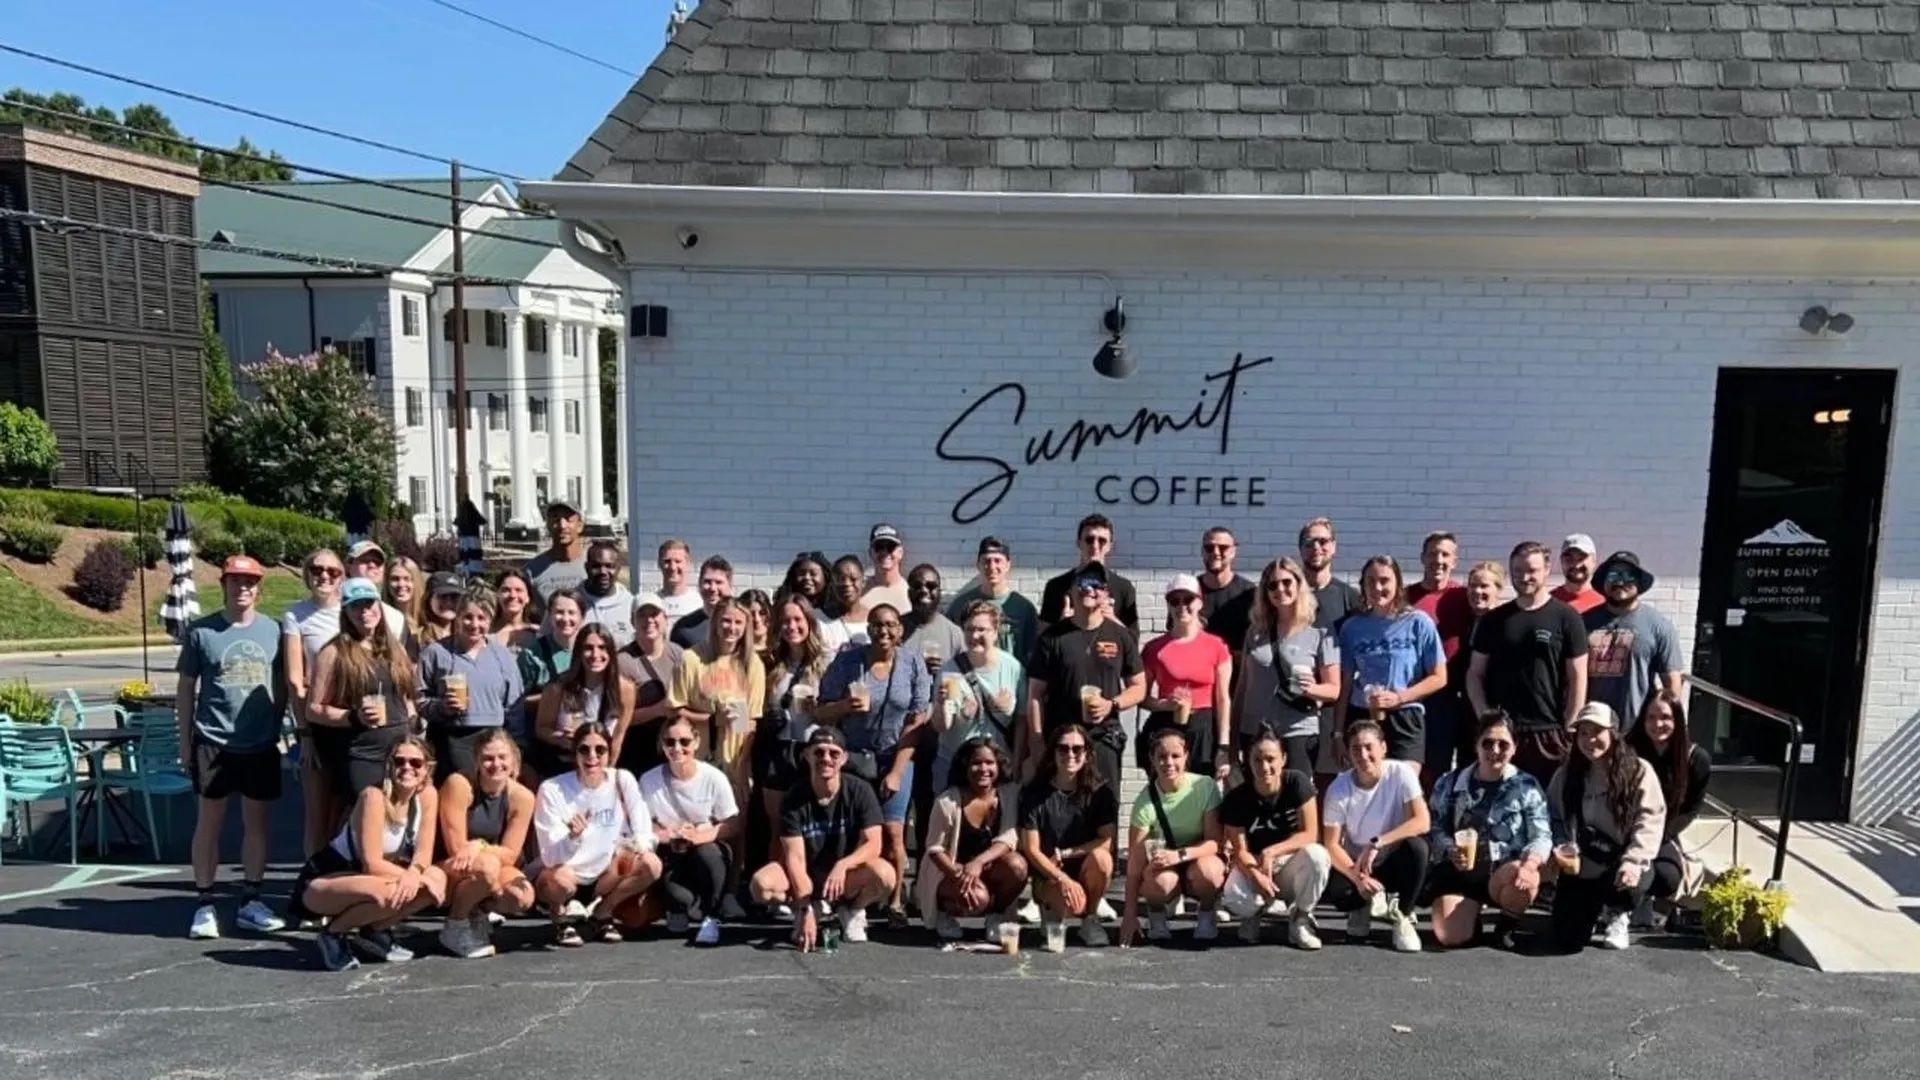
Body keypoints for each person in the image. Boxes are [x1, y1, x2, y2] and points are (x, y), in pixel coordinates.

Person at [180, 555, 287, 940]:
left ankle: (251, 900)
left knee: (257, 824)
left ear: (259, 589)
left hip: (259, 743)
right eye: (236, 581)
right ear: (223, 584)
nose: (243, 588)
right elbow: (186, 690)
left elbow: (283, 686)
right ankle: (204, 903)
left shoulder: (273, 631)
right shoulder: (201, 633)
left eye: (250, 582)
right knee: (209, 824)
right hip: (213, 740)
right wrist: (185, 742)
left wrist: (278, 725)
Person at [291, 736, 447, 970]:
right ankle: (333, 934)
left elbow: (423, 855)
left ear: (427, 769)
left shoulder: (427, 796)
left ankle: (374, 931)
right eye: (399, 761)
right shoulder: (373, 797)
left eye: (416, 763)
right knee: (391, 894)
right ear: (389, 766)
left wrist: (418, 874)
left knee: (438, 882)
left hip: (371, 881)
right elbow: (372, 864)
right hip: (325, 882)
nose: (407, 768)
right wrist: (415, 878)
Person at [817, 604, 929, 922]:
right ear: (868, 630)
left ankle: (895, 900)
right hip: (854, 756)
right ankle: (852, 897)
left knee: (894, 832)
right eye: (877, 625)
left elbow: (917, 719)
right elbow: (820, 710)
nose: (884, 631)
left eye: (891, 625)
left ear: (900, 631)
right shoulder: (848, 661)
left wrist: (895, 772)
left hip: (896, 754)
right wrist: (843, 706)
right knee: (858, 831)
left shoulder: (912, 662)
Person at [749, 728, 897, 950]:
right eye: (819, 753)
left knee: (885, 875)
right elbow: (795, 860)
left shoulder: (860, 791)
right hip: (807, 876)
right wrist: (805, 907)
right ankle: (810, 909)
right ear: (807, 755)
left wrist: (843, 864)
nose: (826, 759)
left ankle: (853, 910)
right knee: (761, 885)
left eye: (833, 754)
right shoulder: (793, 798)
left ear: (844, 758)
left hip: (845, 877)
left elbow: (873, 844)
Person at [1425, 710, 1552, 949]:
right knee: (1450, 938)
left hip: (1503, 870)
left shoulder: (1527, 786)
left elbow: (1542, 835)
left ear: (1514, 748)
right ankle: (1470, 916)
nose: (1495, 750)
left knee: (1524, 876)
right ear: (1476, 745)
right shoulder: (1449, 782)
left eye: (1503, 744)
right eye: (1488, 743)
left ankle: (1507, 922)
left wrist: (1530, 864)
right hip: (1461, 871)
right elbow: (1434, 827)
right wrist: (1449, 848)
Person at [1547, 702, 1667, 952]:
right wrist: (1561, 846)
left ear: (1613, 733)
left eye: (1597, 732)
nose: (1590, 739)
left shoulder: (1637, 771)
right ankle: (1590, 913)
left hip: (1621, 861)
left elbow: (1650, 819)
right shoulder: (1567, 774)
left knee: (1632, 883)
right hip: (1583, 861)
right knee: (1566, 937)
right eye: (1583, 733)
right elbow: (1553, 816)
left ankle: (1618, 913)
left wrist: (1634, 860)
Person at [1468, 542, 1590, 784]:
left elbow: (1578, 677)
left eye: (1531, 570)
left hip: (1549, 733)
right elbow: (1475, 674)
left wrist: (1570, 727)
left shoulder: (1567, 618)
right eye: (1517, 571)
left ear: (1547, 569)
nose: (1524, 577)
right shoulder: (1493, 621)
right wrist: (1486, 718)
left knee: (1548, 808)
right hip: (1503, 734)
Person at [532, 723, 659, 946]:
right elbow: (550, 857)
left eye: (600, 750)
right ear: (575, 753)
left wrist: (634, 847)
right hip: (568, 874)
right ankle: (560, 918)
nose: (592, 757)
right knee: (558, 882)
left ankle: (603, 912)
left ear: (610, 753)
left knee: (652, 864)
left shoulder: (622, 779)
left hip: (606, 875)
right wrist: (573, 838)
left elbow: (643, 828)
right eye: (584, 750)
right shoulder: (552, 789)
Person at [1025, 561, 1145, 788]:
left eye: (1097, 584)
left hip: (1103, 738)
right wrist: (1038, 742)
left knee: (1104, 812)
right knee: (1059, 809)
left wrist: (1112, 704)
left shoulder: (1121, 635)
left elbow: (1139, 686)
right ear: (1070, 590)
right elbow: (1035, 694)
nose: (1090, 589)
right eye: (1083, 582)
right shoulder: (1052, 637)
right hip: (1061, 740)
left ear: (1107, 594)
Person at [306, 578, 419, 809]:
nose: (365, 611)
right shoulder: (333, 652)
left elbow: (406, 697)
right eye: (356, 605)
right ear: (345, 611)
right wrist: (353, 717)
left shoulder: (395, 648)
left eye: (369, 604)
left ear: (379, 606)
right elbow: (314, 709)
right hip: (363, 754)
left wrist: (414, 725)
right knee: (367, 823)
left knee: (398, 822)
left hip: (401, 753)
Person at [1320, 721, 1429, 952]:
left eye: (1369, 747)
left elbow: (1422, 821)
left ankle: (1403, 916)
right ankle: (1361, 905)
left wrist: (1378, 843)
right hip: (1357, 864)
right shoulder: (1338, 788)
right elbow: (1331, 843)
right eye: (1356, 749)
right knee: (1340, 892)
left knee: (1417, 848)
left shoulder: (1401, 773)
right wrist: (1357, 877)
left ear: (1383, 747)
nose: (1363, 755)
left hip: (1391, 858)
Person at [1218, 729, 1329, 948]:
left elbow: (1310, 833)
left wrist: (1272, 852)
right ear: (1247, 761)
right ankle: (1253, 915)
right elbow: (1240, 850)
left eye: (1270, 759)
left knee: (1318, 856)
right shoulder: (1236, 798)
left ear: (1283, 759)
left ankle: (1300, 918)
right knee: (1235, 897)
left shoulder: (1297, 782)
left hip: (1288, 863)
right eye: (1257, 760)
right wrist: (1254, 875)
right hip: (1255, 865)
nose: (1264, 767)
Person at [1334, 555, 1447, 767]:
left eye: (1384, 580)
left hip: (1406, 715)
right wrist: (1338, 734)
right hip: (1363, 715)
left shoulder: (1418, 622)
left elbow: (1439, 677)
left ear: (1398, 584)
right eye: (1370, 581)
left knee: (1404, 786)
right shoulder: (1352, 627)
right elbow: (1345, 685)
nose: (1377, 587)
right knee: (1367, 788)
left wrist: (1399, 697)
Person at [1234, 557, 1340, 781]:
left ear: (1299, 584)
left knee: (1297, 797)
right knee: (1259, 799)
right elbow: (1242, 689)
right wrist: (1232, 742)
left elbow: (1334, 689)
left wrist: (1311, 689)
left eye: (1286, 582)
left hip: (1298, 730)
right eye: (1272, 585)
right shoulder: (1255, 632)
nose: (1279, 589)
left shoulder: (1319, 630)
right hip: (1255, 730)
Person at [640, 717, 742, 946]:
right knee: (678, 896)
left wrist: (698, 836)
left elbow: (733, 823)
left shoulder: (713, 777)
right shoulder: (649, 779)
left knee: (710, 855)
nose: (677, 748)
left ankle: (712, 915)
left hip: (703, 845)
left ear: (696, 742)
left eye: (684, 741)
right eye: (670, 742)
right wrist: (668, 834)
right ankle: (679, 906)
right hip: (670, 851)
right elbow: (642, 824)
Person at [1119, 728, 1226, 946]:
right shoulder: (1144, 802)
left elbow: (1215, 842)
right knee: (1161, 881)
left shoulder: (1205, 787)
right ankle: (1156, 912)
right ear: (1151, 759)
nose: (1169, 762)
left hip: (1195, 859)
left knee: (1211, 872)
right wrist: (1129, 916)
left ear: (1186, 756)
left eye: (1175, 756)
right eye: (1162, 756)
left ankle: (1206, 912)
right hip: (1165, 867)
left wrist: (1179, 855)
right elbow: (1134, 865)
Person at [435, 729, 535, 959]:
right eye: (488, 758)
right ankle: (456, 924)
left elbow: (511, 854)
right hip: (450, 864)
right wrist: (479, 850)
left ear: (513, 759)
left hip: (487, 862)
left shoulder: (522, 797)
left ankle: (476, 912)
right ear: (477, 761)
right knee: (487, 867)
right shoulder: (459, 784)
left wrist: (479, 844)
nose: (496, 764)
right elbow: (456, 848)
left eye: (502, 757)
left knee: (522, 896)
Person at [918, 737, 1028, 944]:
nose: (983, 769)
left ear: (999, 766)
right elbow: (934, 849)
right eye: (976, 763)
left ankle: (996, 916)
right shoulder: (947, 801)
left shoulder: (1009, 795)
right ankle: (944, 912)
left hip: (984, 868)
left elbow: (1009, 838)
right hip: (948, 871)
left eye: (989, 763)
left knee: (1018, 866)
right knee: (978, 899)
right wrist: (959, 874)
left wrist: (977, 863)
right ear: (965, 766)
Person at [1019, 724, 1116, 948]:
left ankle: (1090, 919)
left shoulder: (1099, 792)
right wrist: (1062, 878)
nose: (1070, 755)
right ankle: (1053, 918)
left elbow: (1106, 841)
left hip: (1082, 869)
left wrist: (1068, 853)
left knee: (1102, 859)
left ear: (1087, 754)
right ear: (1053, 752)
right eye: (1063, 749)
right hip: (1050, 872)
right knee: (1054, 939)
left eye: (1077, 749)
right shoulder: (1034, 793)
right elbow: (1031, 849)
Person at [418, 586, 525, 782]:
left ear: (490, 620)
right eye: (468, 617)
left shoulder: (502, 656)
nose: (474, 624)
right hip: (449, 739)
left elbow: (515, 710)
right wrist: (441, 707)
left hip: (493, 742)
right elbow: (419, 700)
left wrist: (517, 749)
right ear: (457, 617)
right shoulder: (435, 653)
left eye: (482, 618)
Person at [283, 547, 348, 858]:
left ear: (343, 577)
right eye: (317, 570)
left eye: (332, 571)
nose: (324, 576)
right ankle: (311, 887)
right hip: (317, 725)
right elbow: (296, 680)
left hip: (353, 722)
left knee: (346, 812)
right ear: (307, 574)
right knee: (317, 817)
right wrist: (305, 734)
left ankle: (341, 886)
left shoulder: (352, 611)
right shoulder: (295, 615)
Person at [672, 597, 767, 808]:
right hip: (697, 756)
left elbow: (750, 722)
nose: (731, 628)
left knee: (735, 824)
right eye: (725, 621)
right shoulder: (691, 658)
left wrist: (742, 766)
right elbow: (674, 710)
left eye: (738, 622)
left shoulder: (752, 664)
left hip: (735, 760)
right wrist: (713, 719)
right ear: (714, 621)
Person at [763, 597, 834, 873]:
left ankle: (814, 889)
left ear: (809, 623)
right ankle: (778, 889)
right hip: (780, 748)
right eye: (785, 621)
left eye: (797, 620)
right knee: (777, 826)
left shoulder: (826, 662)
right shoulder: (773, 663)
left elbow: (839, 709)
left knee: (813, 825)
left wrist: (819, 710)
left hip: (812, 749)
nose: (791, 626)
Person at [1139, 573, 1232, 780]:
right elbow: (1140, 696)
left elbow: (1223, 698)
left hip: (1203, 726)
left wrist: (1223, 747)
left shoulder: (1217, 646)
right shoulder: (1154, 648)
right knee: (1165, 790)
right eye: (1175, 601)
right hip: (1166, 724)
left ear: (1199, 602)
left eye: (1188, 599)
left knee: (1200, 792)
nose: (1181, 606)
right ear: (1168, 605)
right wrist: (1164, 704)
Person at [1628, 690, 1710, 919]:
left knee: (1667, 877)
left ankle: (1645, 898)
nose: (1657, 724)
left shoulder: (1696, 759)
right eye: (1651, 717)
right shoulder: (1629, 751)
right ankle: (1620, 906)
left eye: (1665, 717)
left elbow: (1692, 808)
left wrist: (1659, 836)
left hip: (1664, 831)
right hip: (1626, 826)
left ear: (1677, 720)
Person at [931, 601, 1025, 800]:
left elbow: (1022, 722)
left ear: (995, 632)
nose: (974, 636)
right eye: (969, 629)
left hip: (995, 767)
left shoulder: (1013, 668)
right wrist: (941, 704)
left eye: (982, 629)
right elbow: (941, 726)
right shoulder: (950, 670)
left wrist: (1016, 764)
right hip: (956, 765)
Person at [1584, 551, 1685, 730]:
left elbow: (1672, 682)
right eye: (1613, 575)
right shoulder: (1582, 622)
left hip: (1638, 731)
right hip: (1591, 729)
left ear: (1639, 582)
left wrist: (1667, 726)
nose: (1620, 582)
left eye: (1629, 576)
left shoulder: (1659, 626)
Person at [1407, 531, 1475, 778]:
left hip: (1458, 695)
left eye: (1445, 554)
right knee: (1417, 768)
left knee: (1452, 769)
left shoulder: (1465, 597)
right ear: (1422, 558)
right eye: (1433, 553)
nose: (1439, 560)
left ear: (1455, 561)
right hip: (1419, 695)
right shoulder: (1406, 598)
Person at [535, 624, 636, 778]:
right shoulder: (558, 688)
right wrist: (561, 739)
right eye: (588, 648)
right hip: (563, 767)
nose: (595, 654)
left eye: (602, 648)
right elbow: (542, 729)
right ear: (578, 652)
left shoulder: (625, 690)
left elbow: (618, 738)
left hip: (602, 767)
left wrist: (606, 775)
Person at [945, 536, 1041, 664]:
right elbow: (949, 648)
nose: (992, 566)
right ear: (978, 564)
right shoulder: (961, 605)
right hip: (970, 680)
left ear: (1008, 565)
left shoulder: (1024, 609)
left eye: (997, 560)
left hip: (1011, 680)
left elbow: (1033, 655)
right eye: (987, 561)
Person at [617, 594, 684, 777]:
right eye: (642, 615)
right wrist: (658, 710)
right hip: (638, 747)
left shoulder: (677, 653)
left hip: (673, 746)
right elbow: (618, 718)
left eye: (654, 614)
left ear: (665, 619)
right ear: (632, 621)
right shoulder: (623, 661)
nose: (649, 620)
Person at [1039, 514, 1140, 633]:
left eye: (1102, 541)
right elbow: (1040, 639)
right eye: (1089, 540)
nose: (1095, 546)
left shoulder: (1123, 588)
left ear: (1109, 546)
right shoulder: (1056, 586)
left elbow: (1134, 640)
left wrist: (1112, 619)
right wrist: (1061, 623)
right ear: (1079, 543)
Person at [1451, 561, 1506, 768]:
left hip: (1493, 712)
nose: (1477, 591)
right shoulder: (1465, 623)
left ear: (1498, 590)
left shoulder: (1505, 624)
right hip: (1466, 712)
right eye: (1473, 586)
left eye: (1484, 586)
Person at [518, 589, 582, 753]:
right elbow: (518, 702)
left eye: (572, 613)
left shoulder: (590, 650)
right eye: (559, 612)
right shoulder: (533, 653)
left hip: (584, 740)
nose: (566, 619)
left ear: (582, 616)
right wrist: (551, 699)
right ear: (550, 615)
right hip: (545, 741)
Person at [1196, 526, 1255, 658]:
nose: (1215, 552)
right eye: (1209, 548)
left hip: (1239, 675)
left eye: (1223, 547)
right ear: (1202, 551)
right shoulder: (1188, 593)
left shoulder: (1249, 594)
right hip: (1198, 672)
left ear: (1233, 551)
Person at [1298, 517, 1362, 631]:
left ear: (1333, 546)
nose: (1316, 547)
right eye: (1309, 543)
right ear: (1300, 549)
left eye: (1323, 542)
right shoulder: (1288, 594)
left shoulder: (1350, 597)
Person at [523, 500, 587, 599]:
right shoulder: (532, 570)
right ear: (548, 526)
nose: (562, 525)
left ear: (580, 526)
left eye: (568, 519)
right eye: (556, 519)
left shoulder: (594, 566)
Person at [579, 541, 635, 649]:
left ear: (618, 568)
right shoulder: (570, 603)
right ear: (586, 567)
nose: (603, 572)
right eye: (596, 566)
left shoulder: (631, 605)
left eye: (609, 566)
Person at [671, 555, 735, 649]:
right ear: (699, 584)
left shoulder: (743, 623)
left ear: (730, 585)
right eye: (707, 582)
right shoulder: (683, 628)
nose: (712, 588)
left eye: (718, 582)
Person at [817, 555, 870, 651]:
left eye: (853, 579)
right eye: (840, 579)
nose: (846, 584)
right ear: (832, 584)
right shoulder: (819, 618)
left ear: (863, 582)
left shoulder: (874, 619)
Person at [862, 523, 911, 613]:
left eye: (890, 547)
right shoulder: (860, 591)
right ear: (870, 552)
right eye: (879, 547)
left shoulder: (910, 592)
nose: (885, 552)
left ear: (900, 553)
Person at [1552, 533, 1606, 615]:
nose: (1576, 565)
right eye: (1569, 559)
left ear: (1594, 560)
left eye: (1581, 558)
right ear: (1561, 561)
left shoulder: (1605, 604)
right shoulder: (1548, 601)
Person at [655, 538, 704, 622]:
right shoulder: (652, 602)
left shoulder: (699, 604)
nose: (672, 567)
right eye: (667, 561)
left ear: (688, 563)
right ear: (659, 563)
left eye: (678, 561)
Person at [383, 555, 425, 647]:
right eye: (395, 579)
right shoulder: (381, 617)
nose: (401, 584)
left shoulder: (427, 618)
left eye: (407, 579)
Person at [492, 569, 538, 649]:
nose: (513, 595)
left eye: (518, 590)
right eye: (506, 590)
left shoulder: (538, 634)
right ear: (497, 595)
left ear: (528, 598)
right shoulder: (485, 633)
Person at [420, 572, 464, 647]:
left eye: (454, 596)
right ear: (429, 599)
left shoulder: (469, 633)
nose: (448, 602)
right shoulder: (418, 636)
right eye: (442, 596)